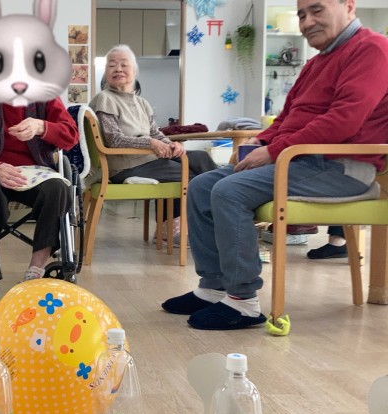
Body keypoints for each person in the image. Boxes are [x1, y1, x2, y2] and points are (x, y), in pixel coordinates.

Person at [162, 0, 388, 330]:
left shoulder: (372, 49)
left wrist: (274, 150)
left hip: (340, 168)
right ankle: (213, 288)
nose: (307, 22)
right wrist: (263, 141)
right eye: (301, 15)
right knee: (201, 186)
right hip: (301, 160)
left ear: (349, 6)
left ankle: (243, 302)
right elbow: (287, 118)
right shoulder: (315, 64)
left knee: (228, 191)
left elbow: (344, 119)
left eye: (317, 10)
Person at [0, 91, 79, 316]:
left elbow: (71, 135)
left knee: (59, 189)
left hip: (36, 171)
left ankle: (35, 272)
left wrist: (42, 126)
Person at [89, 44, 218, 245]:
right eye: (112, 65)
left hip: (147, 161)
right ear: (106, 72)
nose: (118, 69)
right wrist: (150, 143)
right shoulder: (104, 99)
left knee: (200, 158)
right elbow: (113, 140)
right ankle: (177, 227)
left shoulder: (142, 103)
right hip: (125, 166)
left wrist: (170, 144)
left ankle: (179, 224)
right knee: (195, 178)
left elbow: (155, 132)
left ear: (135, 70)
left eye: (124, 64)